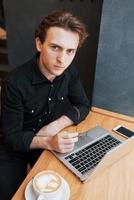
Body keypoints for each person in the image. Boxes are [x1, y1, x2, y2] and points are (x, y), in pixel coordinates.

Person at [0, 10, 90, 199]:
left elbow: (83, 105)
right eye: (55, 47)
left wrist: (55, 126)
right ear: (39, 44)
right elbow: (11, 137)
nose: (62, 60)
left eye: (70, 51)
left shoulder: (69, 71)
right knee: (9, 194)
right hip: (16, 147)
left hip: (49, 137)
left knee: (74, 183)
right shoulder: (13, 83)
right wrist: (47, 141)